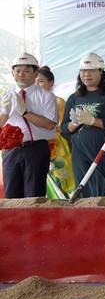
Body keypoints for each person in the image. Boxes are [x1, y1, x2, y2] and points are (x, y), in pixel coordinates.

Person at [60, 53, 105, 197]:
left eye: (91, 71)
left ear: (101, 72)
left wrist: (92, 120)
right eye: (83, 71)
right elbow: (64, 128)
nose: (87, 74)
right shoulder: (74, 98)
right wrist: (75, 123)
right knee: (85, 189)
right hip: (81, 152)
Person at [0, 53, 57, 198]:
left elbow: (50, 124)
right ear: (12, 73)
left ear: (36, 73)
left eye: (26, 71)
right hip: (11, 150)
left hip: (36, 149)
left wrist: (25, 112)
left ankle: (35, 221)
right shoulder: (4, 95)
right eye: (17, 71)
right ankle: (14, 222)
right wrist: (5, 113)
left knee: (34, 195)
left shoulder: (46, 96)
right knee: (11, 195)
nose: (21, 75)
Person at [36, 65, 75, 197]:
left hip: (56, 144)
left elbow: (63, 126)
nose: (37, 84)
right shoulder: (29, 103)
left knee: (60, 176)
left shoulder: (58, 101)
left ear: (50, 83)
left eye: (40, 81)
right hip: (36, 144)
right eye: (35, 81)